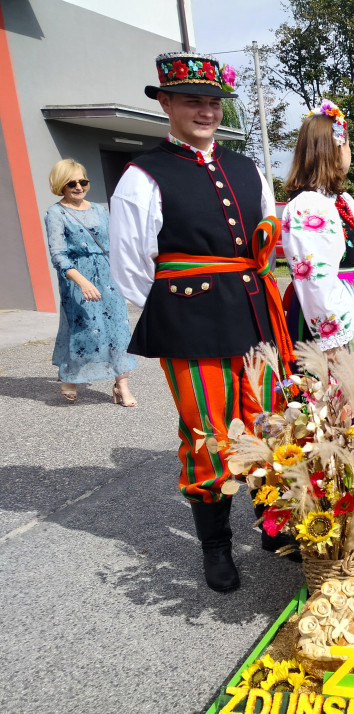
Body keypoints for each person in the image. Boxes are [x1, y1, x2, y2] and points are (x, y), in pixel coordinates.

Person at [109, 52, 295, 593]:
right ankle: (215, 548)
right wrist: (180, 309)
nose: (205, 110)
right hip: (189, 321)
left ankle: (272, 525)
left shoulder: (247, 166)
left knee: (269, 423)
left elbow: (266, 233)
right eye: (192, 100)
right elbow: (130, 267)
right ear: (165, 103)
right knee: (207, 432)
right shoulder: (143, 175)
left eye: (212, 101)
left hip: (253, 311)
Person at [280, 100, 354, 382]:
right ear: (335, 148)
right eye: (348, 145)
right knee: (337, 395)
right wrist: (333, 342)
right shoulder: (307, 205)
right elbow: (315, 279)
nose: (350, 153)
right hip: (331, 311)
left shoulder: (342, 200)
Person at [44, 159, 137, 405]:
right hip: (76, 277)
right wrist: (82, 282)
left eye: (82, 181)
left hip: (108, 276)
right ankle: (70, 376)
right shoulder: (56, 213)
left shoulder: (100, 210)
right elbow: (58, 255)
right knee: (83, 329)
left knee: (118, 330)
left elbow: (114, 245)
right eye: (71, 183)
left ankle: (122, 385)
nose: (78, 187)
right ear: (60, 185)